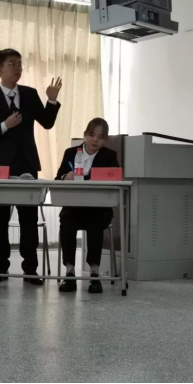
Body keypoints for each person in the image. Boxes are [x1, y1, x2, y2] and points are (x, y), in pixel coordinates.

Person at [0, 48, 63, 286]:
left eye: (20, 64)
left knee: (28, 219)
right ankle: (1, 267)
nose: (18, 68)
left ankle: (30, 269)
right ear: (0, 69)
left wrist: (52, 100)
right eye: (12, 64)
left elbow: (47, 122)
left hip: (26, 164)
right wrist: (4, 125)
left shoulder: (30, 94)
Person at [55, 118, 120, 294]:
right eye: (92, 135)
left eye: (100, 137)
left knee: (95, 221)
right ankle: (69, 272)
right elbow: (58, 178)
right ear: (85, 135)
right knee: (66, 219)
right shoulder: (71, 153)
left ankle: (94, 273)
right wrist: (65, 177)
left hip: (98, 209)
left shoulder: (109, 156)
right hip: (74, 207)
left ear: (105, 140)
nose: (95, 140)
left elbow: (116, 180)